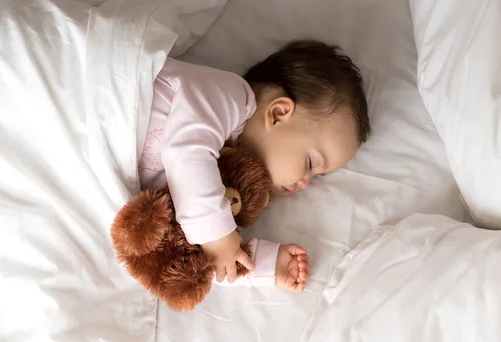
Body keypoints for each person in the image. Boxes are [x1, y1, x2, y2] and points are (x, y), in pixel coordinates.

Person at [137, 40, 370, 292]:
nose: (304, 183)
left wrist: (269, 264)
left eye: (317, 176)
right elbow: (187, 150)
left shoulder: (224, 186)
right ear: (278, 113)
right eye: (310, 163)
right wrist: (217, 234)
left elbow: (201, 255)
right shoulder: (230, 97)